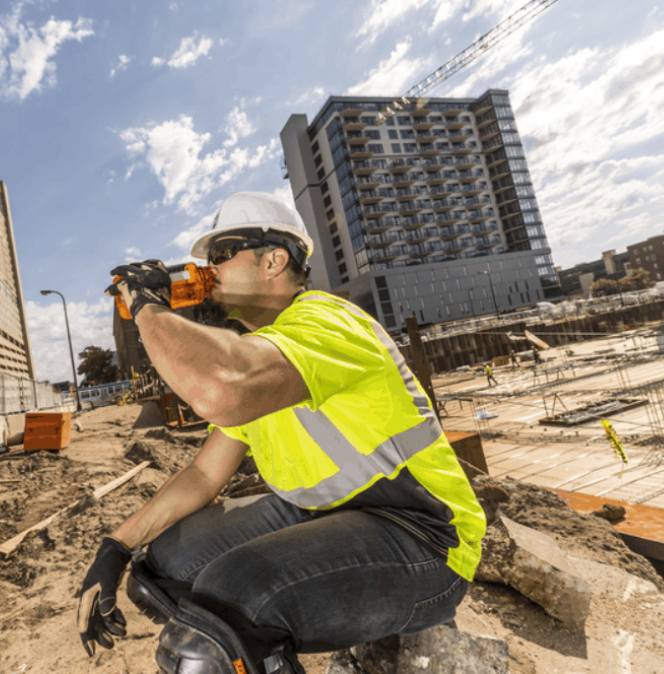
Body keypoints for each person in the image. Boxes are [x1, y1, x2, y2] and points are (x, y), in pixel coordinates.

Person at [79, 191, 486, 674]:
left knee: (224, 608)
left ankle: (229, 646)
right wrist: (117, 547)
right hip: (328, 517)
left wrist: (148, 306)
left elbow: (220, 386)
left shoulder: (326, 323)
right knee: (164, 564)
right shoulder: (263, 354)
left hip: (423, 535)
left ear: (274, 259)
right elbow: (204, 475)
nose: (209, 272)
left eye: (221, 256)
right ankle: (259, 654)